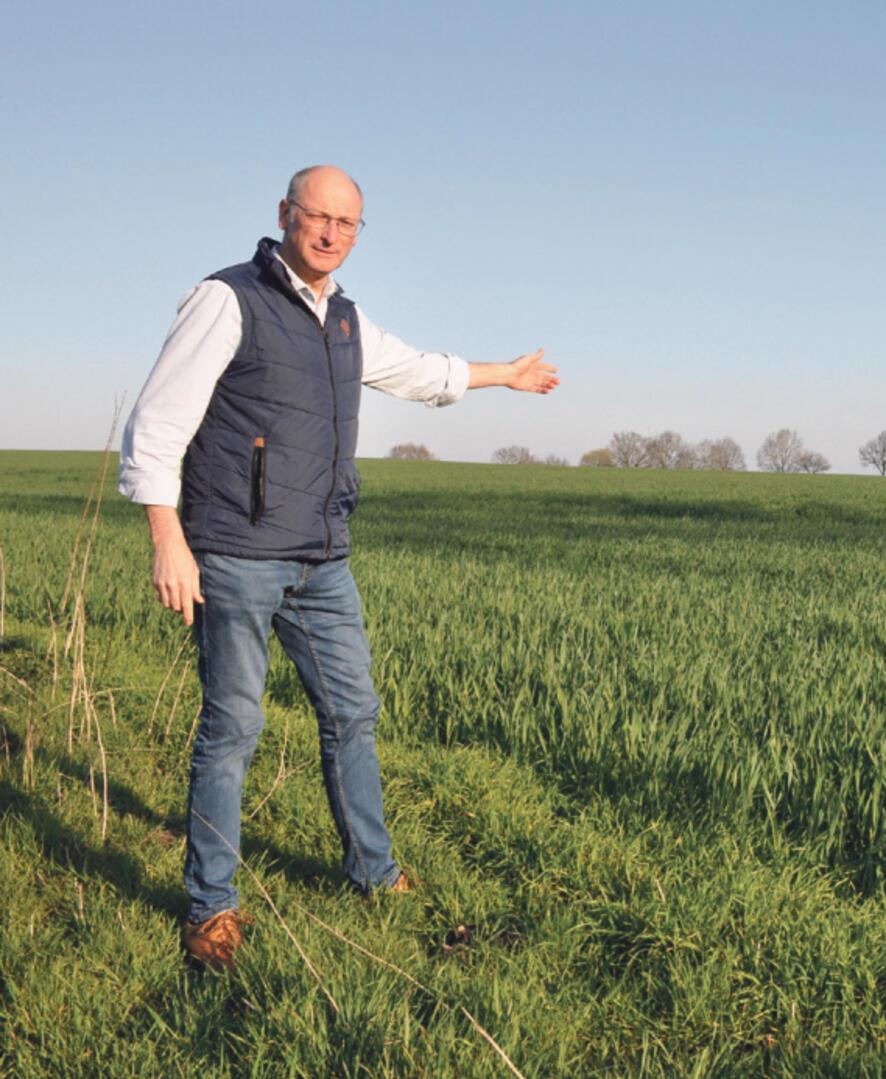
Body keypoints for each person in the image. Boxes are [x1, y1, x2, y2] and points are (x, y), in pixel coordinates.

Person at [118, 165, 559, 971]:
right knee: (233, 729)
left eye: (346, 224)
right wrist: (166, 537)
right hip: (236, 556)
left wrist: (505, 374)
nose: (329, 233)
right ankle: (212, 907)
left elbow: (421, 371)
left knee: (354, 712)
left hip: (322, 560)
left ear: (358, 234)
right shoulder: (228, 299)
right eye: (316, 217)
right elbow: (158, 419)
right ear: (285, 215)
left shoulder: (345, 322)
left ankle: (372, 872)